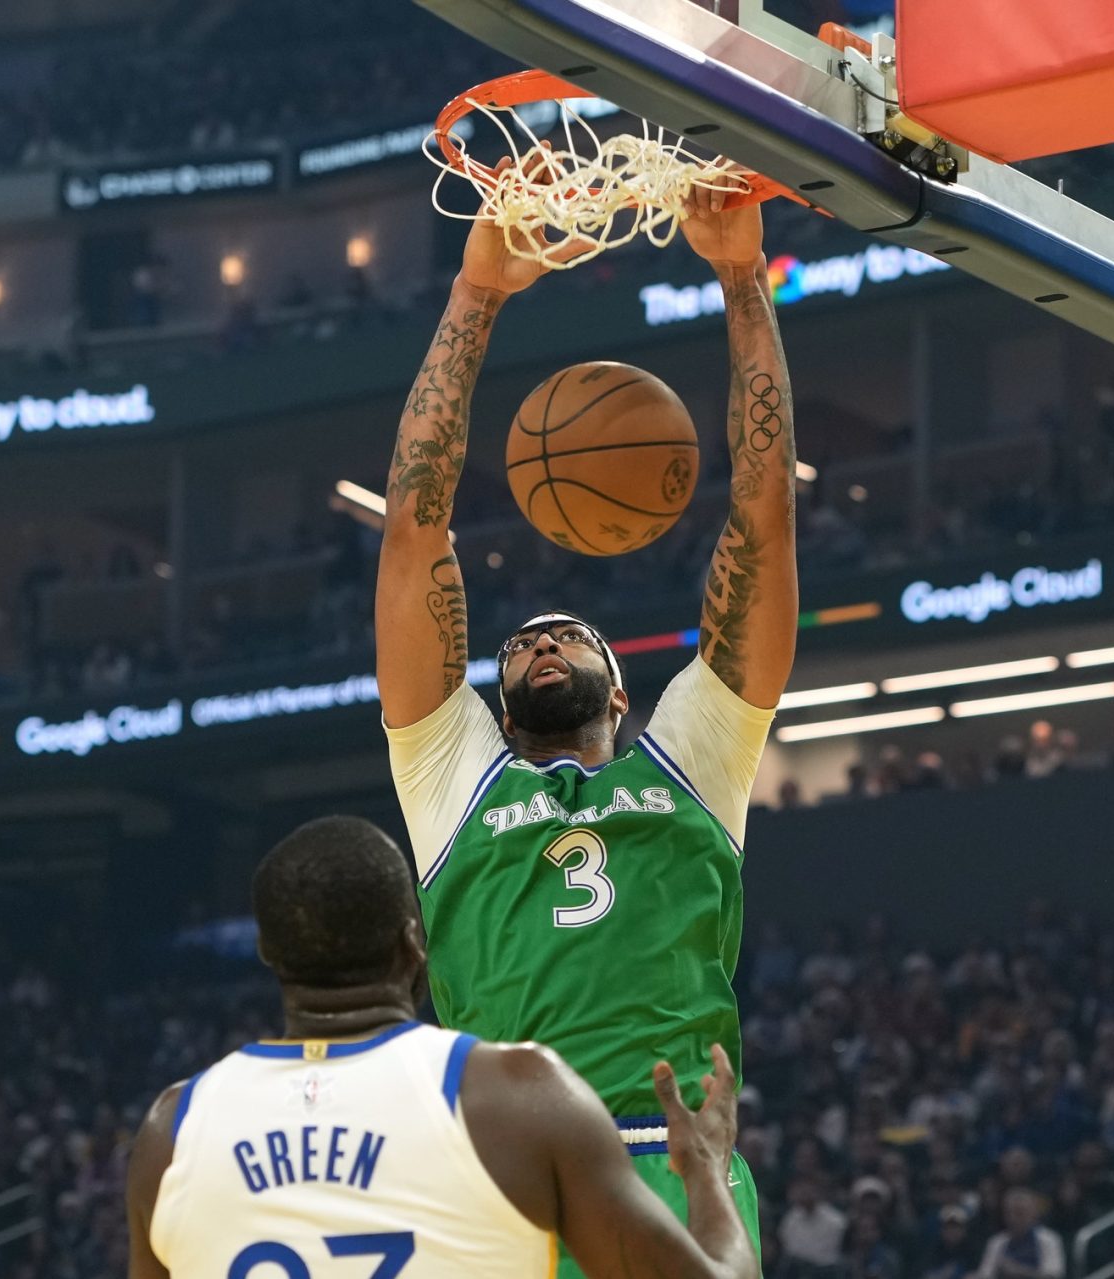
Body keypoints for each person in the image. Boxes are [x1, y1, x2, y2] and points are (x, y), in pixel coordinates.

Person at [376, 170, 797, 1273]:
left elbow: (762, 517)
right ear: (500, 702)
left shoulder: (698, 756)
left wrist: (743, 280)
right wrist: (477, 294)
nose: (536, 642)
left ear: (624, 693)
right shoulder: (451, 776)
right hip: (501, 1169)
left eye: (568, 638)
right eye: (518, 644)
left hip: (672, 1155)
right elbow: (416, 533)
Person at [125, 817, 758, 1278]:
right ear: (412, 943)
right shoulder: (515, 1097)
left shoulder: (171, 1132)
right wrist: (705, 1169)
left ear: (270, 957)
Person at [977, 1189, 1065, 1279]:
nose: (1013, 1218)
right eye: (1008, 1213)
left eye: (1019, 1213)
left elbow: (1053, 1276)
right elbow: (984, 1274)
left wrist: (1019, 1271)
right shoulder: (997, 1242)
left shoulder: (1049, 1239)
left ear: (1033, 1214)